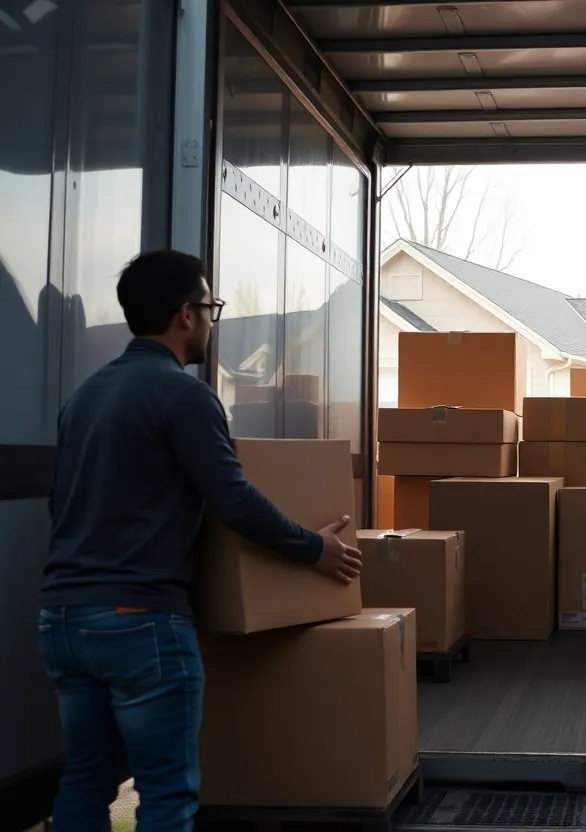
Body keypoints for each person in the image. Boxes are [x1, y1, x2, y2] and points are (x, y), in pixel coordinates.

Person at [38, 250, 363, 831]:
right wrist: (315, 550)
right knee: (167, 791)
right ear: (186, 315)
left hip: (62, 619)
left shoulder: (83, 397)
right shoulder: (184, 395)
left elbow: (59, 504)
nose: (214, 319)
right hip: (139, 620)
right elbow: (233, 498)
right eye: (211, 307)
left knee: (86, 777)